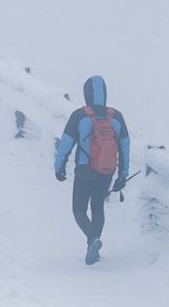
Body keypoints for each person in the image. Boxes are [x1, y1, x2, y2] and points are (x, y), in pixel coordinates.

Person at [53, 76, 132, 263]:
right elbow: (125, 146)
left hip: (84, 171)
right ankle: (93, 245)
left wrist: (59, 167)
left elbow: (66, 143)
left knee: (79, 210)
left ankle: (92, 239)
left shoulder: (80, 116)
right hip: (106, 171)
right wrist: (123, 173)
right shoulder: (116, 116)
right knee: (97, 207)